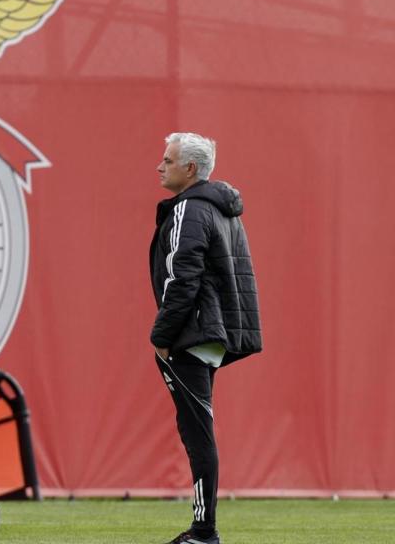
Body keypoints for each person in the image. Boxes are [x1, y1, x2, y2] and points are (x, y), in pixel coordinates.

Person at [150, 133, 262, 544]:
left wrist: (162, 334)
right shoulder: (221, 208)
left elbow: (183, 276)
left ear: (190, 169)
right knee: (198, 429)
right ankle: (202, 530)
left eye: (167, 160)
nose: (160, 166)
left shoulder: (190, 208)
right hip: (210, 333)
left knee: (197, 433)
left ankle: (203, 532)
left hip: (191, 333)